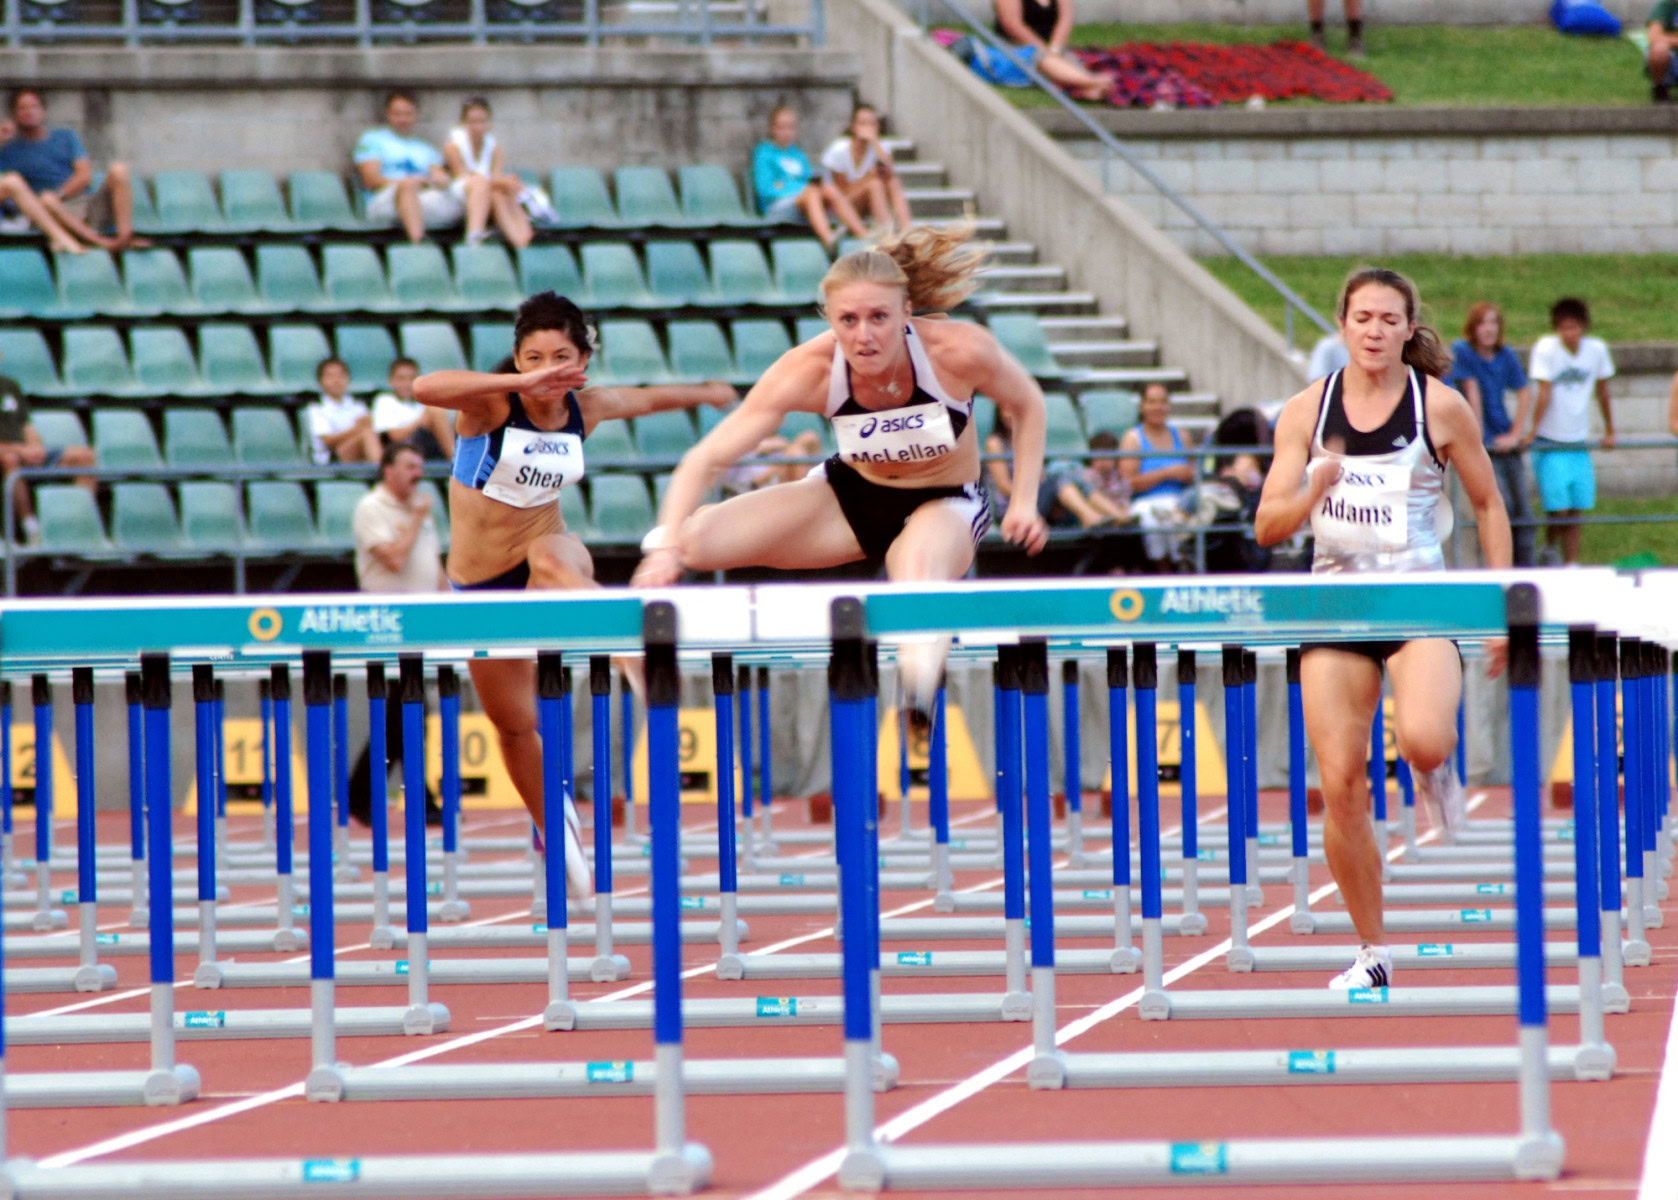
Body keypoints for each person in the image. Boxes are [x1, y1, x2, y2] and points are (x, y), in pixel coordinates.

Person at [631, 227, 1051, 720]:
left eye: (879, 318)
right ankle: (669, 565)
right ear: (829, 318)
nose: (864, 336)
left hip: (946, 501)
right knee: (694, 543)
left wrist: (1023, 501)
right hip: (851, 496)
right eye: (848, 320)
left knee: (916, 571)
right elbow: (706, 458)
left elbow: (1028, 405)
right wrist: (666, 549)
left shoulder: (956, 351)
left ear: (907, 313)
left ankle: (917, 697)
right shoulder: (809, 369)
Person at [412, 290, 734, 898]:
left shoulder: (587, 408)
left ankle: (627, 645)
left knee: (550, 555)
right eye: (533, 358)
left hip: (553, 556)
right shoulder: (490, 404)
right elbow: (425, 386)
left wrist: (708, 392)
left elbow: (648, 399)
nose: (547, 370)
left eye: (561, 357)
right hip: (480, 588)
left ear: (582, 361)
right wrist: (518, 381)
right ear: (517, 359)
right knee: (515, 728)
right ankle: (555, 827)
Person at [1254, 266, 1512, 992]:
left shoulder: (1441, 407)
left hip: (1419, 603)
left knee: (1425, 738)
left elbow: (1488, 505)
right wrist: (1315, 486)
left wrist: (1501, 604)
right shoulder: (1305, 411)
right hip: (1334, 608)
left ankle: (1436, 770)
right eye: (1362, 318)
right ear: (1342, 324)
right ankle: (1372, 952)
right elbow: (1267, 525)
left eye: (1388, 319)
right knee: (1341, 784)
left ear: (1408, 329)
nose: (1374, 331)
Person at [348, 441, 444, 826]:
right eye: (409, 466)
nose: (418, 474)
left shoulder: (419, 511)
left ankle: (381, 794)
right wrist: (417, 519)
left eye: (420, 466)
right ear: (388, 469)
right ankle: (386, 795)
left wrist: (456, 609)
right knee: (401, 710)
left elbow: (433, 564)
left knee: (407, 710)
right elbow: (394, 559)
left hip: (422, 621)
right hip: (387, 622)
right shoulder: (372, 507)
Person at [1524, 297, 1615, 567]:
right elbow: (1544, 392)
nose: (1569, 333)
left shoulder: (1596, 350)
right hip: (1551, 441)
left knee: (1577, 506)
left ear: (1583, 326)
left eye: (1574, 327)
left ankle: (1571, 562)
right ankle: (1550, 547)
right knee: (1558, 507)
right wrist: (1533, 431)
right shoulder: (1546, 348)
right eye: (1563, 327)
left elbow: (1603, 391)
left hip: (1578, 441)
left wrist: (1610, 429)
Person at [0, 88, 147, 251]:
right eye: (22, 108)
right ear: (15, 115)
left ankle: (124, 238)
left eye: (34, 106)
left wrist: (60, 195)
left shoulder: (66, 136)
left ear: (43, 110)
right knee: (47, 200)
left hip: (82, 202)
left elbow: (84, 176)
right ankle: (101, 243)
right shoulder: (9, 150)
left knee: (119, 170)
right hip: (48, 211)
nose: (29, 112)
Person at [1449, 303, 1536, 567]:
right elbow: (1472, 392)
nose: (1489, 329)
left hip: (1504, 440)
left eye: (1494, 323)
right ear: (1473, 328)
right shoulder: (1463, 351)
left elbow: (1524, 392)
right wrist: (1477, 439)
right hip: (1483, 443)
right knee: (1500, 506)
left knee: (1524, 514)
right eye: (1483, 323)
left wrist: (1515, 433)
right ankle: (1498, 569)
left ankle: (1526, 571)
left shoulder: (1505, 354)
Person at [0, 359, 96, 545]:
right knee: (9, 459)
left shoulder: (10, 386)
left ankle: (77, 527)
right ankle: (31, 529)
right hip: (7, 454)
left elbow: (26, 425)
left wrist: (36, 447)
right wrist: (20, 451)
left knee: (84, 457)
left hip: (23, 451)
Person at [354, 91, 465, 244]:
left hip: (422, 198)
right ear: (388, 114)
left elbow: (440, 177)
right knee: (408, 184)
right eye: (397, 114)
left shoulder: (426, 149)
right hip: (384, 201)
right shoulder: (372, 140)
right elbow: (370, 180)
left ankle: (475, 242)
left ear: (415, 115)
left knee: (468, 193)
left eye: (407, 114)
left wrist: (436, 180)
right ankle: (418, 243)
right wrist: (411, 182)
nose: (403, 119)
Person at [752, 105, 862, 251]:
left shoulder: (798, 154)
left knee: (829, 189)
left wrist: (811, 188)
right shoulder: (764, 152)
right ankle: (829, 241)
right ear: (772, 129)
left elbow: (808, 179)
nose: (786, 132)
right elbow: (764, 189)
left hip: (805, 203)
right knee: (811, 192)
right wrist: (800, 190)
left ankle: (864, 237)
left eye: (790, 127)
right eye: (781, 127)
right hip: (777, 207)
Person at [1118, 381, 1193, 566]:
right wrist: (1167, 473)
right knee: (1154, 520)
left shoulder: (1182, 436)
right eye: (1152, 402)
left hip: (1179, 499)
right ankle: (1162, 569)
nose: (1158, 407)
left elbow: (1193, 473)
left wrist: (1187, 474)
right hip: (1145, 501)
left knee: (1181, 516)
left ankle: (1184, 564)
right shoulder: (1133, 438)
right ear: (1142, 406)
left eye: (1162, 402)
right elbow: (1130, 483)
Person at [443, 97, 533, 250]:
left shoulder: (495, 148)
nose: (478, 127)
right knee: (481, 183)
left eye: (482, 121)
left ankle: (522, 242)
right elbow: (463, 177)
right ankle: (474, 236)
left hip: (489, 191)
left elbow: (496, 176)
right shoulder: (453, 146)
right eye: (472, 122)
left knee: (499, 193)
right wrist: (500, 182)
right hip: (463, 194)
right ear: (464, 123)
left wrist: (507, 183)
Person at [992, 0, 1116, 101]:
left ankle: (1085, 85)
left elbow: (1065, 19)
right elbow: (1012, 25)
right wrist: (1045, 51)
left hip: (1052, 48)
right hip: (1018, 47)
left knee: (1067, 60)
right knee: (1043, 60)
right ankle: (1091, 82)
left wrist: (1055, 49)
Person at [819, 104, 912, 236]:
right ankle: (886, 234)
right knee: (874, 183)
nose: (867, 128)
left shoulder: (881, 147)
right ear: (853, 126)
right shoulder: (839, 149)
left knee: (893, 182)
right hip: (846, 204)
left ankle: (908, 231)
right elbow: (842, 191)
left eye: (872, 124)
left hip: (870, 202)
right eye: (863, 123)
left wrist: (874, 142)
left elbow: (890, 172)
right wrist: (868, 178)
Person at [372, 357, 455, 461]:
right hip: (401, 449)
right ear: (391, 381)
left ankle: (455, 456)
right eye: (401, 379)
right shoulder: (385, 400)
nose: (407, 383)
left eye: (412, 378)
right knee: (435, 411)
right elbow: (394, 437)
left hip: (428, 444)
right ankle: (454, 459)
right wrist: (421, 421)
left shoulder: (424, 401)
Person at [306, 357, 381, 466]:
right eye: (330, 376)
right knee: (367, 434)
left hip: (357, 452)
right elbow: (328, 440)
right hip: (330, 457)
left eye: (341, 376)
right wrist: (358, 429)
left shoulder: (358, 406)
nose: (336, 380)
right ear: (321, 382)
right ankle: (381, 470)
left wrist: (361, 428)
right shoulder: (316, 409)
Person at [1648, 1, 1678, 101]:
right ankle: (1660, 89)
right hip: (1673, 58)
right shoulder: (1665, 6)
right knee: (1659, 49)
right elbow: (1654, 37)